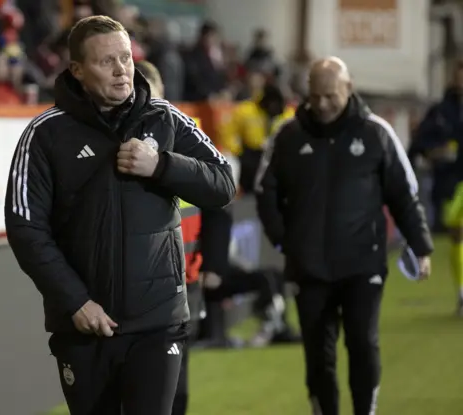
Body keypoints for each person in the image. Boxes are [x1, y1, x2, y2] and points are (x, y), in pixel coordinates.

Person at [4, 16, 235, 415]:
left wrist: (162, 164)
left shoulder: (165, 118)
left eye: (126, 58)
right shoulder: (44, 135)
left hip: (157, 320)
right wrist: (76, 302)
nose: (121, 70)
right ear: (77, 70)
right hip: (84, 325)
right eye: (106, 61)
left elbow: (223, 184)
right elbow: (25, 227)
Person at [254, 57, 433, 415]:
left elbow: (402, 193)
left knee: (363, 344)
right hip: (309, 268)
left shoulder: (376, 132)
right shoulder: (288, 135)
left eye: (330, 96)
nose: (321, 104)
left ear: (348, 89)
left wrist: (421, 245)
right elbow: (264, 191)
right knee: (318, 356)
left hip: (362, 264)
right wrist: (284, 241)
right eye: (315, 96)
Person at [134, 58, 203, 415]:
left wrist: (209, 260)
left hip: (184, 280)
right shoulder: (123, 149)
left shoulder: (188, 138)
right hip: (136, 286)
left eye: (155, 98)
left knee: (178, 385)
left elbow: (217, 201)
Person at [197, 205, 300, 348]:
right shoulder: (214, 215)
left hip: (223, 271)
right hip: (210, 277)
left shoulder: (222, 216)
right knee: (266, 279)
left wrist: (245, 269)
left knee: (273, 275)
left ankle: (278, 327)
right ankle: (271, 327)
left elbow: (230, 254)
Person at [412, 62, 463, 314]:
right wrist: (438, 152)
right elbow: (419, 143)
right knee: (457, 236)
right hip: (451, 183)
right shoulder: (442, 111)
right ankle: (462, 291)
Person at [220, 83, 295, 193]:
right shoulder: (245, 111)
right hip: (250, 154)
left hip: (277, 155)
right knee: (230, 160)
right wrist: (236, 150)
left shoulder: (289, 115)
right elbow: (228, 133)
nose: (273, 107)